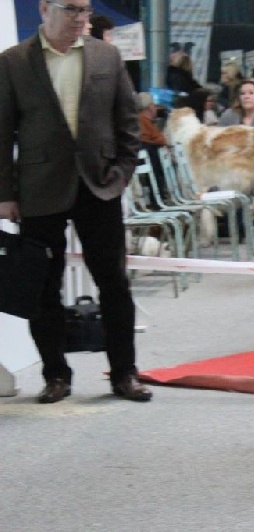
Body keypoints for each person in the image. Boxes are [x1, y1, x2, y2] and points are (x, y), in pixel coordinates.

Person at [0, 0, 152, 403]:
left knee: (114, 284)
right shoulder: (13, 62)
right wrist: (5, 196)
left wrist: (120, 176)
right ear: (44, 8)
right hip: (39, 189)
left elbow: (129, 126)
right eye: (72, 10)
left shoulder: (107, 55)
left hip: (100, 186)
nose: (82, 18)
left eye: (85, 10)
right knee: (42, 289)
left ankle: (124, 373)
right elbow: (1, 135)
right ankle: (56, 375)